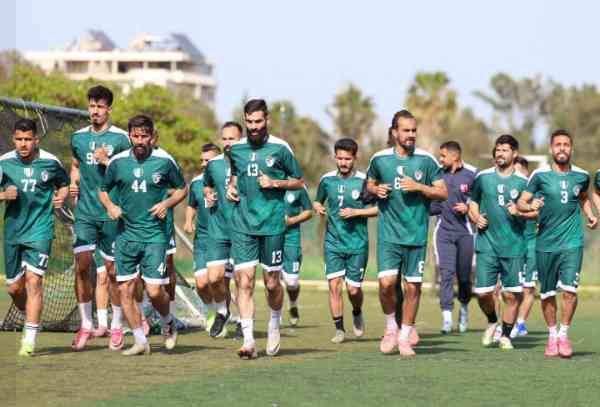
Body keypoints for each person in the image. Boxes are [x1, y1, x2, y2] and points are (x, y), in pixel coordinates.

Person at [99, 115, 187, 355]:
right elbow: (103, 190)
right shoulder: (117, 162)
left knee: (154, 290)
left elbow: (182, 188)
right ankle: (140, 341)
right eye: (135, 136)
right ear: (130, 136)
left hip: (154, 236)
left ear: (152, 137)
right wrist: (110, 206)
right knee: (125, 290)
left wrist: (166, 204)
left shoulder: (164, 160)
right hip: (126, 235)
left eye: (144, 136)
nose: (139, 140)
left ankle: (168, 322)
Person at [226, 99, 304, 359]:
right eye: (249, 122)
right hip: (243, 225)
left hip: (272, 224)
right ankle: (248, 341)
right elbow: (234, 177)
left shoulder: (280, 148)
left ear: (267, 120)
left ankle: (274, 323)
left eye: (258, 121)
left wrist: (275, 183)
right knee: (244, 281)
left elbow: (299, 181)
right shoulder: (236, 149)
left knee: (271, 283)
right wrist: (230, 188)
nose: (254, 127)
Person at [366, 110, 447, 357]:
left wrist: (419, 187)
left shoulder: (426, 160)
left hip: (416, 235)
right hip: (388, 235)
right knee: (386, 284)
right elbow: (369, 184)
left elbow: (442, 193)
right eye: (406, 130)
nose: (411, 134)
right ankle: (391, 327)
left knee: (413, 288)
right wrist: (376, 190)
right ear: (394, 132)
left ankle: (404, 337)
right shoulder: (379, 159)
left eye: (414, 130)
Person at [517, 129, 597, 358]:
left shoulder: (581, 176)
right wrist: (530, 206)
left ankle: (563, 335)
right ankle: (552, 336)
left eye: (566, 144)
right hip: (545, 243)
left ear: (571, 148)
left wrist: (590, 215)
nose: (562, 148)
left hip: (572, 242)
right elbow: (521, 202)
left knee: (570, 291)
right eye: (558, 144)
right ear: (551, 148)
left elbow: (583, 197)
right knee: (547, 294)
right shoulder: (539, 176)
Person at [0, 118, 69, 356]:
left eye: (28, 139)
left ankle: (29, 340)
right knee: (14, 288)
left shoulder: (51, 162)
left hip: (41, 230)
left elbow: (64, 184)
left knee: (34, 281)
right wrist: (3, 195)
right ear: (13, 139)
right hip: (13, 231)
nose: (23, 144)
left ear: (36, 139)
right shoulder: (4, 163)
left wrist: (61, 197)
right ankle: (28, 314)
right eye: (19, 139)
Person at [70, 85, 130, 351]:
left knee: (113, 272)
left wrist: (108, 161)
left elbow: (129, 171)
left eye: (100, 107)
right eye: (91, 106)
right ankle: (86, 324)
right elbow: (75, 165)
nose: (95, 111)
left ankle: (116, 325)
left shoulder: (121, 139)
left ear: (109, 109)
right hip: (85, 213)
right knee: (82, 266)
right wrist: (73, 183)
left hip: (111, 213)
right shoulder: (78, 138)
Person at [468, 135, 536, 350]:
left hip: (514, 246)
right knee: (482, 293)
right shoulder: (483, 177)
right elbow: (473, 202)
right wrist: (475, 217)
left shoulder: (524, 183)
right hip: (486, 244)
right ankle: (492, 321)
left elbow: (535, 212)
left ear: (514, 154)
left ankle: (505, 336)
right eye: (497, 150)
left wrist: (520, 212)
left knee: (511, 295)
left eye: (504, 150)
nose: (500, 153)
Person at [314, 138, 378, 343]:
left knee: (353, 289)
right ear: (335, 157)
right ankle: (339, 329)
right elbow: (317, 200)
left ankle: (357, 311)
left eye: (347, 159)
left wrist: (357, 212)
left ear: (355, 158)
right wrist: (318, 207)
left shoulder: (365, 181)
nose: (343, 162)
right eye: (340, 158)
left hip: (357, 244)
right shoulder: (327, 180)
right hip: (333, 242)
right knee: (334, 286)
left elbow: (378, 209)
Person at [431, 141, 477, 334]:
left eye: (443, 156)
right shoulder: (436, 174)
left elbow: (480, 200)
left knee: (464, 277)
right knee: (446, 274)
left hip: (465, 232)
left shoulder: (473, 174)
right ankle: (447, 318)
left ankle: (464, 309)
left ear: (455, 156)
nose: (440, 159)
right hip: (443, 232)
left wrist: (468, 208)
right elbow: (431, 199)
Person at [203, 122, 243, 338]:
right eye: (225, 139)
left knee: (242, 280)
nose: (228, 143)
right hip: (218, 229)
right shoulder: (213, 165)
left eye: (232, 139)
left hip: (242, 229)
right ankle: (222, 311)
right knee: (214, 278)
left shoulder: (248, 162)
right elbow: (207, 185)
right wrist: (209, 194)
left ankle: (243, 322)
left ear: (241, 140)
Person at [185, 143, 221, 331]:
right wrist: (188, 221)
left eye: (207, 160)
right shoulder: (197, 183)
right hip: (202, 239)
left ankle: (224, 314)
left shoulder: (227, 179)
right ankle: (211, 310)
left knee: (219, 280)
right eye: (202, 160)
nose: (203, 164)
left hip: (224, 239)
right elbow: (192, 205)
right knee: (201, 283)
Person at [511, 156, 538, 337]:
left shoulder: (535, 190)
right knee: (508, 289)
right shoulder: (508, 190)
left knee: (529, 287)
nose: (516, 175)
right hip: (511, 244)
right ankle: (503, 323)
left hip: (531, 243)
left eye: (519, 171)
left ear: (527, 173)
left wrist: (520, 212)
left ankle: (520, 323)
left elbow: (538, 212)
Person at [282, 184, 313, 327]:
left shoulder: (298, 186)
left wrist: (291, 221)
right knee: (271, 281)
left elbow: (309, 211)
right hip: (270, 236)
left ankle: (293, 303)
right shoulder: (265, 182)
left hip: (291, 238)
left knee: (292, 282)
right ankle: (275, 317)